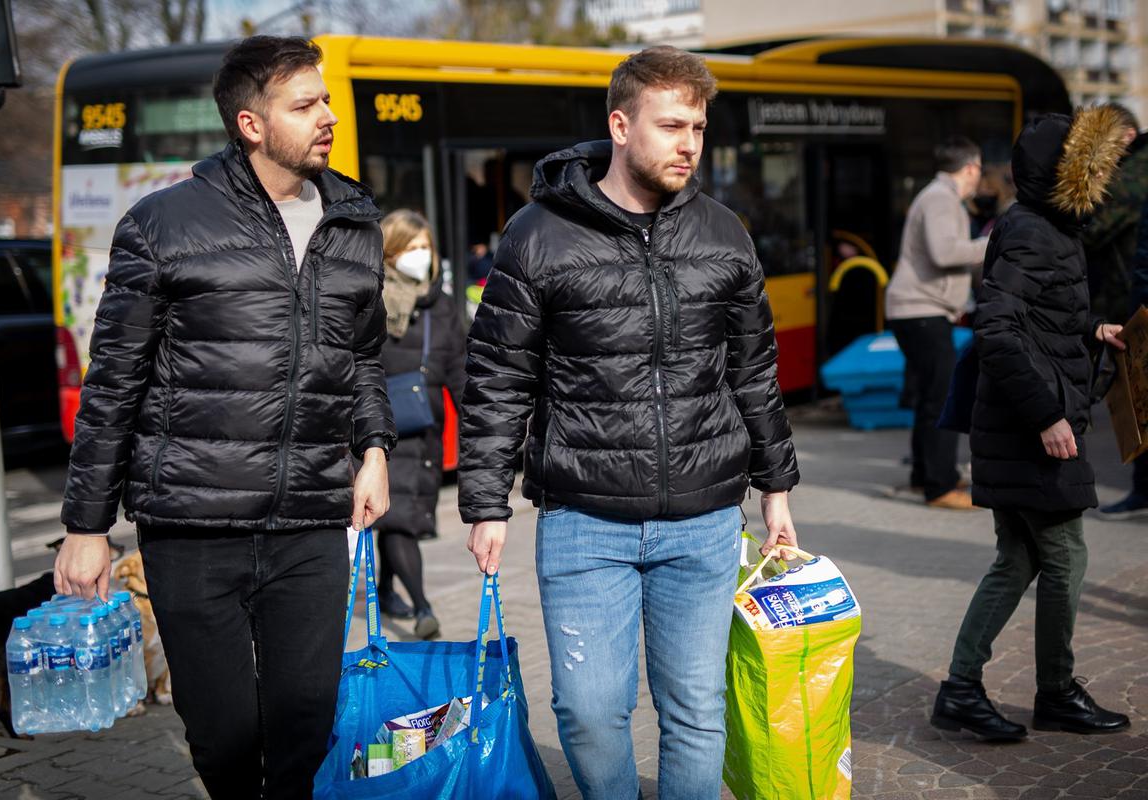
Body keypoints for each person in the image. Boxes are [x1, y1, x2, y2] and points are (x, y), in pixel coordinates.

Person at [54, 36, 396, 799]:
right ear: (251, 123)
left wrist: (374, 447)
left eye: (326, 99)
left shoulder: (354, 221)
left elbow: (363, 355)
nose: (328, 117)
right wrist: (85, 528)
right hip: (191, 525)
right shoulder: (161, 225)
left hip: (311, 520)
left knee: (306, 727)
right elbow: (114, 384)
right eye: (305, 105)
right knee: (225, 737)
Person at [457, 46, 800, 799]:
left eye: (699, 128)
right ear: (620, 124)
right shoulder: (537, 234)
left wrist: (776, 489)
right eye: (671, 125)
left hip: (707, 519)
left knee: (695, 711)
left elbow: (753, 370)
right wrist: (485, 499)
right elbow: (498, 375)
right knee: (587, 713)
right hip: (585, 518)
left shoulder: (724, 233)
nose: (688, 144)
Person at [932, 108, 1131, 742]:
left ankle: (963, 689)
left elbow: (1040, 312)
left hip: (1021, 419)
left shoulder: (1046, 227)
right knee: (1065, 553)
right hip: (1028, 423)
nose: (1102, 178)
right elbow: (997, 329)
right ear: (1062, 173)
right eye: (1090, 167)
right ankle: (1054, 691)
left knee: (1017, 559)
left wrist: (1090, 327)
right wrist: (1047, 415)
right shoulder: (1029, 231)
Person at [374, 209, 467, 639]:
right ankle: (422, 607)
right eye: (411, 248)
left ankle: (385, 589)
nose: (420, 256)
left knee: (400, 513)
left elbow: (459, 368)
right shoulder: (372, 298)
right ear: (390, 252)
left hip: (425, 423)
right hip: (381, 425)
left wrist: (478, 421)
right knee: (399, 517)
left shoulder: (440, 304)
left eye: (425, 247)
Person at [885, 136, 989, 510]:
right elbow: (945, 252)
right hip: (921, 310)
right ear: (972, 167)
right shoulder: (941, 199)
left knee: (931, 396)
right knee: (943, 397)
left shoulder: (938, 197)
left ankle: (923, 477)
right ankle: (940, 486)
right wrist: (994, 242)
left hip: (919, 311)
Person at [1081, 104, 1148, 520]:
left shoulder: (1134, 172)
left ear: (1123, 137)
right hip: (1130, 298)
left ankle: (1142, 490)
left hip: (1135, 305)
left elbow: (1093, 224)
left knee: (1138, 403)